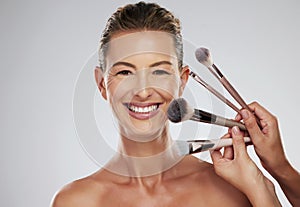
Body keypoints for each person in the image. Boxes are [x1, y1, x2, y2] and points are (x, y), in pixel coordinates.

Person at [51, 2, 298, 206]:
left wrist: (264, 181)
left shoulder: (232, 190)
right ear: (102, 84)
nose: (143, 91)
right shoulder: (76, 201)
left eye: (159, 72)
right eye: (125, 73)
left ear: (182, 81)